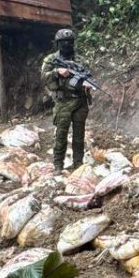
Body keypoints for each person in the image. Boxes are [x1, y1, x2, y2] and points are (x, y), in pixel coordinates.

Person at [41, 28, 92, 171]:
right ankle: (58, 165)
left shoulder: (80, 60)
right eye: (64, 42)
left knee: (79, 136)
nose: (67, 44)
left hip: (80, 101)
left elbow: (87, 75)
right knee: (61, 135)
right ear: (58, 43)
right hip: (63, 102)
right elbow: (43, 77)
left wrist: (87, 84)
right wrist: (57, 72)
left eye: (70, 42)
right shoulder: (51, 60)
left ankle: (78, 164)